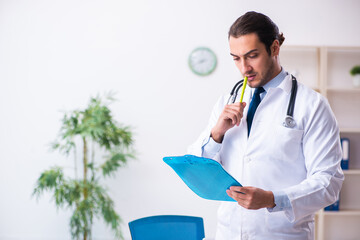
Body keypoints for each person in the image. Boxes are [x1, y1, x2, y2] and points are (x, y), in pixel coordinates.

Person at [188, 11, 344, 240]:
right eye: (236, 58)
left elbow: (328, 183)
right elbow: (199, 168)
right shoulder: (226, 102)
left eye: (252, 56)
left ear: (274, 48)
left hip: (282, 235)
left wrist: (273, 199)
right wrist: (216, 134)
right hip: (228, 233)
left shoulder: (312, 105)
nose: (244, 68)